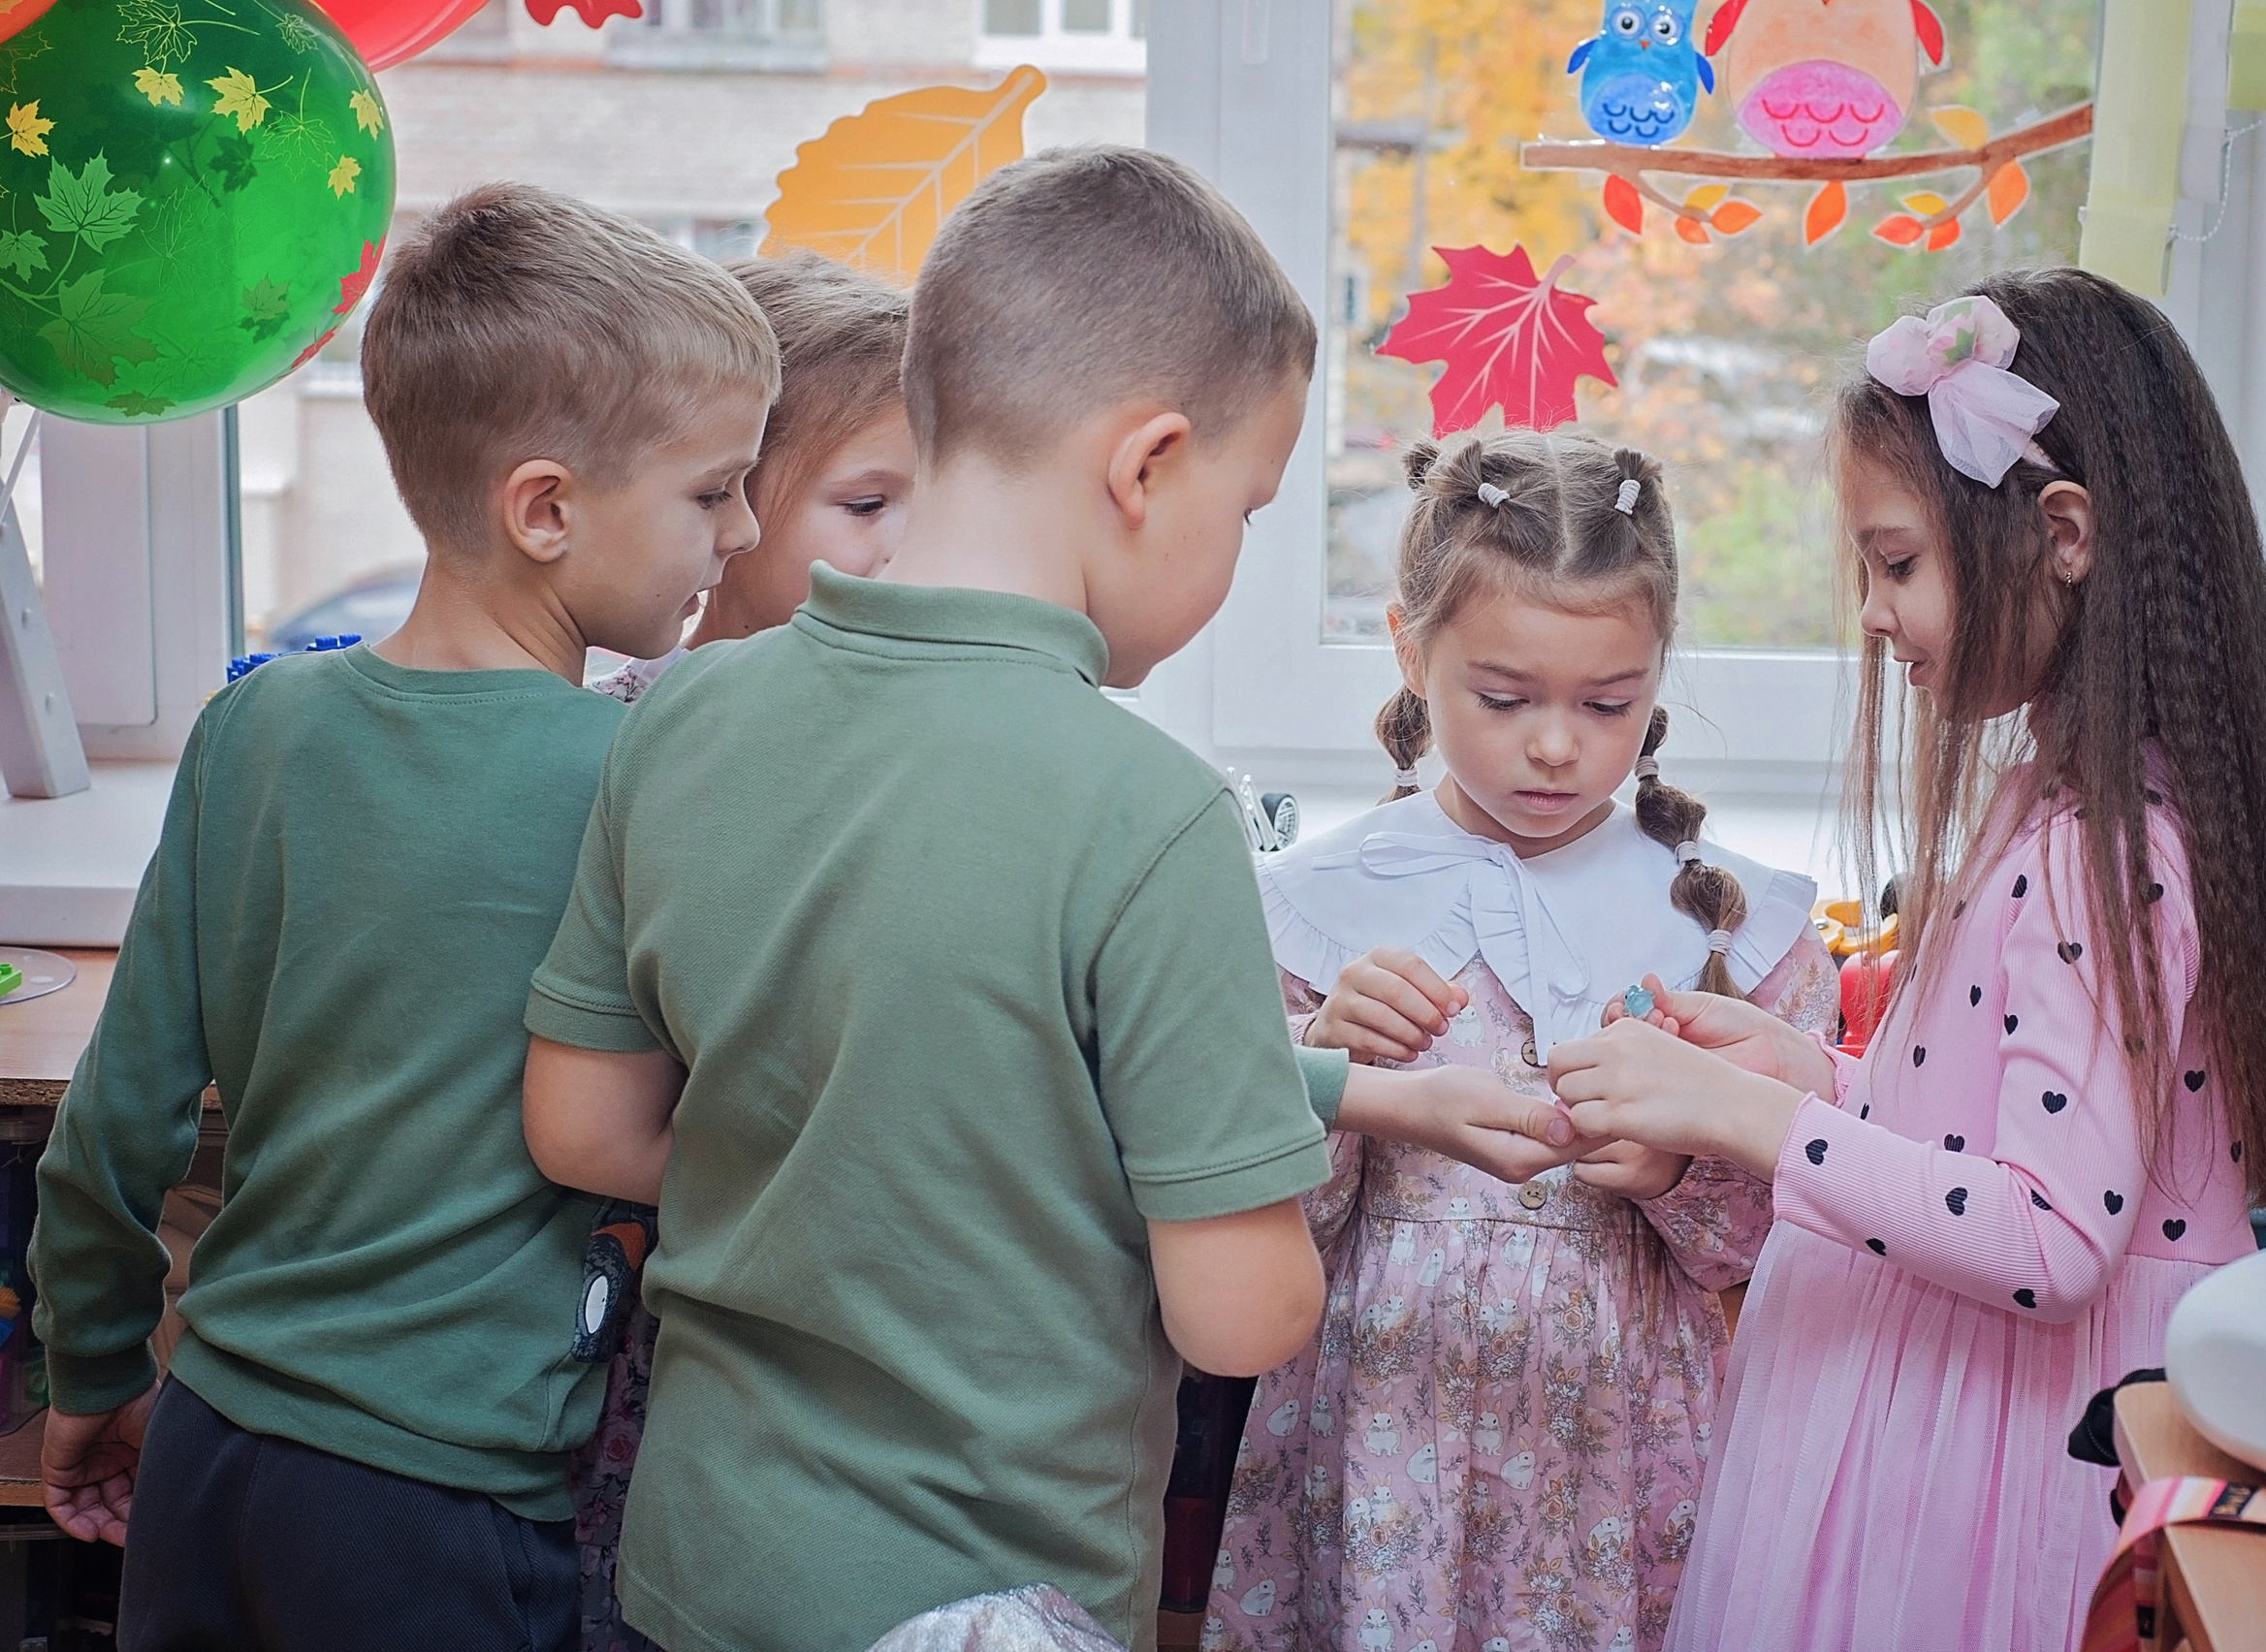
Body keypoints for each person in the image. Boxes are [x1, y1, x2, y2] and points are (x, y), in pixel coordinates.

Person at [517, 145, 1569, 1652]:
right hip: (984, 1604)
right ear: (1144, 469)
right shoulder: (1150, 818)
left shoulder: (685, 717)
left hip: (698, 1567)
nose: (1236, 550)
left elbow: (586, 1125)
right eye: (1250, 508)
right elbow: (1239, 1313)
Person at [27, 182, 779, 1649]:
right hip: (433, 1503)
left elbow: (117, 1119)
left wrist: (93, 1370)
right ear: (547, 509)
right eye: (712, 491)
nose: (744, 532)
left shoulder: (251, 731)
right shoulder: (642, 773)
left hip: (207, 1443)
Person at [1546, 271, 2266, 1651]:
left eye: (1896, 562)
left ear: (2064, 537)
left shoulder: (2115, 847)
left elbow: (2045, 1235)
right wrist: (1806, 1068)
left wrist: (1754, 1119)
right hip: (1965, 1398)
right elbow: (1983, 1119)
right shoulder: (2053, 799)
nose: (1869, 611)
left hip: (2016, 1437)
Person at [1206, 432, 1835, 1652]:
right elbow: (1255, 1226)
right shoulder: (1309, 908)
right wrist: (1332, 1071)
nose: (1556, 746)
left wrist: (1673, 1169)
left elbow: (1773, 1245)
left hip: (1619, 1445)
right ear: (1409, 650)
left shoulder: (1732, 927)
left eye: (1609, 703)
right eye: (1503, 699)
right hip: (1378, 1437)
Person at [571, 247, 911, 1652]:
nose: (912, 547)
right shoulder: (651, 732)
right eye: (870, 503)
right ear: (731, 506)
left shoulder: (923, 740)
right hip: (687, 1312)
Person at [590, 250, 913, 707]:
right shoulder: (618, 735)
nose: (917, 541)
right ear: (723, 496)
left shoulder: (930, 715)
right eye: (866, 505)